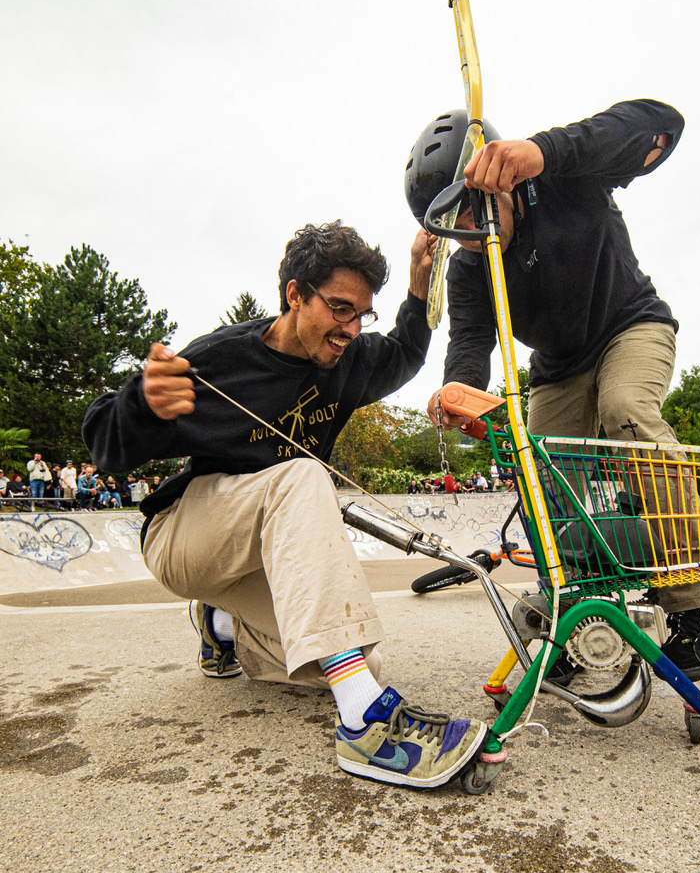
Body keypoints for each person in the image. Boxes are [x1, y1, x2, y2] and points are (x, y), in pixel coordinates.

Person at [83, 220, 489, 791]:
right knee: (300, 476)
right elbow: (103, 443)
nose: (350, 329)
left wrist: (420, 284)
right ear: (296, 294)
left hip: (256, 558)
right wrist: (142, 404)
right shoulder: (222, 359)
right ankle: (365, 730)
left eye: (361, 315)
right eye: (340, 309)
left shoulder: (346, 361)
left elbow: (403, 354)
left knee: (345, 659)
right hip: (186, 538)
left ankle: (224, 625)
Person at [405, 101, 700, 682]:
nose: (472, 238)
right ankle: (576, 614)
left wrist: (544, 151)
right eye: (456, 231)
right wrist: (457, 392)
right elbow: (472, 342)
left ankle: (695, 605)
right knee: (543, 473)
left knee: (627, 413)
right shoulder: (471, 268)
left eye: (474, 216)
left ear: (500, 179)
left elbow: (662, 123)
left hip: (630, 325)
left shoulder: (564, 180)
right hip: (557, 367)